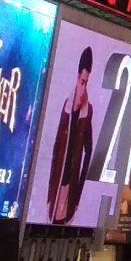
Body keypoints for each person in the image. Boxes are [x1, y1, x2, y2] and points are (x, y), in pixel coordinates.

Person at [46, 46, 98, 224]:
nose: (83, 89)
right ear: (77, 78)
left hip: (72, 186)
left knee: (65, 220)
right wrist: (49, 193)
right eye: (82, 82)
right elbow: (55, 150)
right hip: (58, 184)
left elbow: (88, 152)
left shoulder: (88, 111)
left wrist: (79, 193)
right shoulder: (66, 106)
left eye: (86, 82)